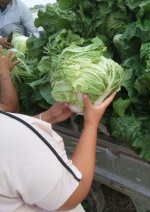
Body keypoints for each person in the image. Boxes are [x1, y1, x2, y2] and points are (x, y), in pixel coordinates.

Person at [0, 46, 117, 211]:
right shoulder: (14, 143)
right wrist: (91, 124)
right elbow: (73, 194)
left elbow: (8, 116)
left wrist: (46, 118)